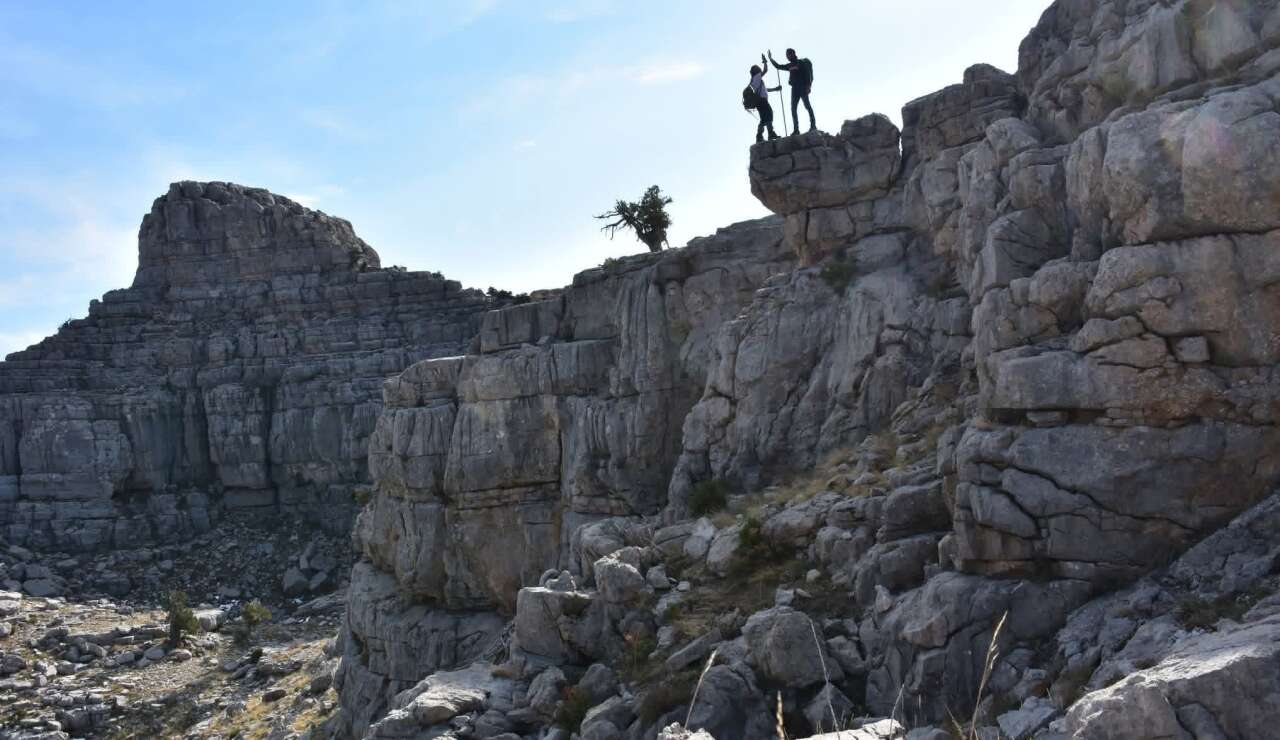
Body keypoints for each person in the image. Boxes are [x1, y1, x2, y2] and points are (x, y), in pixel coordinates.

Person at [769, 48, 815, 134]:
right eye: (787, 55)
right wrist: (771, 59)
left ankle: (813, 125)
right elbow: (778, 66)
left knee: (807, 106)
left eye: (788, 55)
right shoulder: (789, 65)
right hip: (794, 89)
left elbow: (807, 74)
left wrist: (808, 86)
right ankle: (796, 129)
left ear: (793, 54)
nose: (787, 57)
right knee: (793, 109)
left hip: (802, 87)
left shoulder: (800, 63)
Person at [749, 55, 781, 143]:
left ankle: (759, 136)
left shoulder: (753, 80)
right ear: (756, 71)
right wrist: (765, 61)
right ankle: (770, 133)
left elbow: (764, 90)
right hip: (762, 101)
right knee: (769, 114)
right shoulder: (757, 77)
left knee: (764, 119)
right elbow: (765, 70)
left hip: (759, 102)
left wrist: (775, 89)